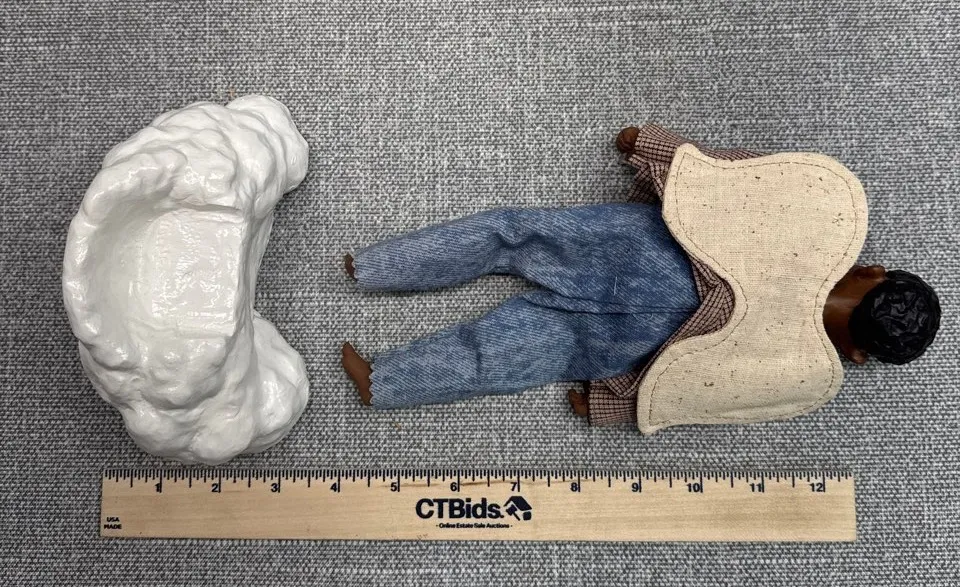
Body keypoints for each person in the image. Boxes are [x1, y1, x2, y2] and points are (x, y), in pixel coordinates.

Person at [340, 126, 941, 426]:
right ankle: (382, 268)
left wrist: (617, 402)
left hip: (628, 333)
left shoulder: (801, 367)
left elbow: (702, 388)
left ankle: (388, 373)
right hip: (642, 248)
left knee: (507, 344)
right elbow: (733, 182)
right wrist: (658, 150)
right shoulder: (819, 221)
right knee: (514, 242)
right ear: (868, 268)